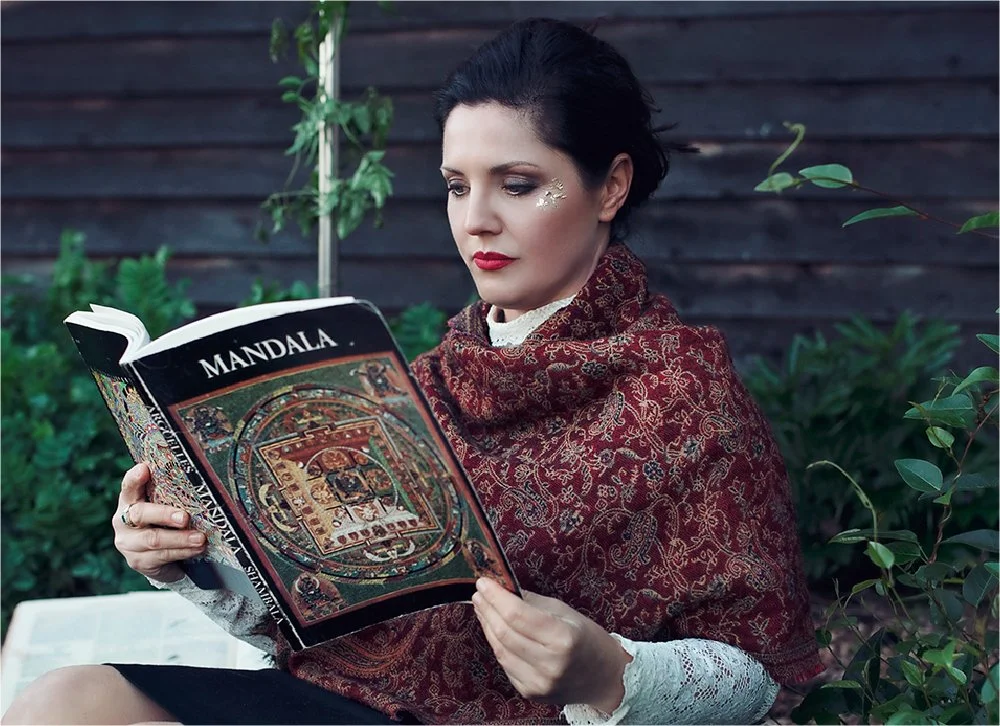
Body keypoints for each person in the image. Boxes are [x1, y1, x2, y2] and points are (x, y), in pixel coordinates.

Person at [3, 17, 823, 726]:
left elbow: (755, 683)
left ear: (610, 185)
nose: (476, 221)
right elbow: (310, 624)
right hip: (347, 705)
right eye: (456, 186)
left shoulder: (683, 393)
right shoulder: (417, 383)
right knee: (64, 703)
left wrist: (610, 674)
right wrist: (191, 560)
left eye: (519, 184)